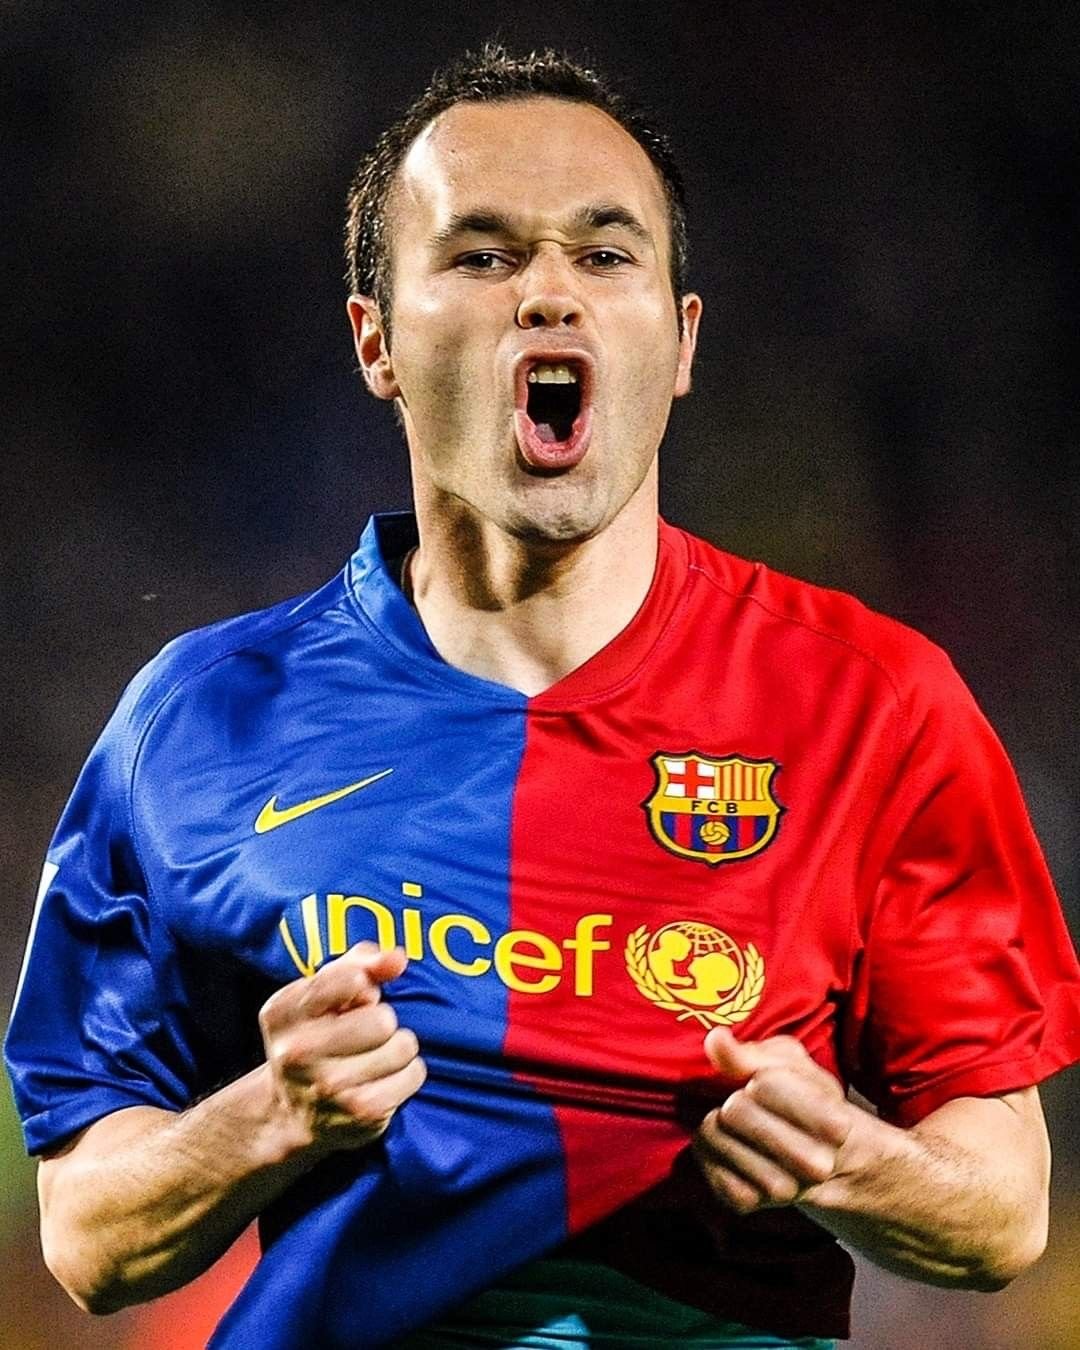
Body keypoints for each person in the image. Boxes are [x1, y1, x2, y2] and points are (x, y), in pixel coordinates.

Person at [6, 44, 1080, 1350]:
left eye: (606, 254)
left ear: (681, 341)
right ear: (377, 340)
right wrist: (269, 1115)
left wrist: (851, 1158)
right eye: (483, 255)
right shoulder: (201, 720)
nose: (550, 293)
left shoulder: (878, 706)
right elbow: (89, 1235)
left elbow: (1004, 1207)